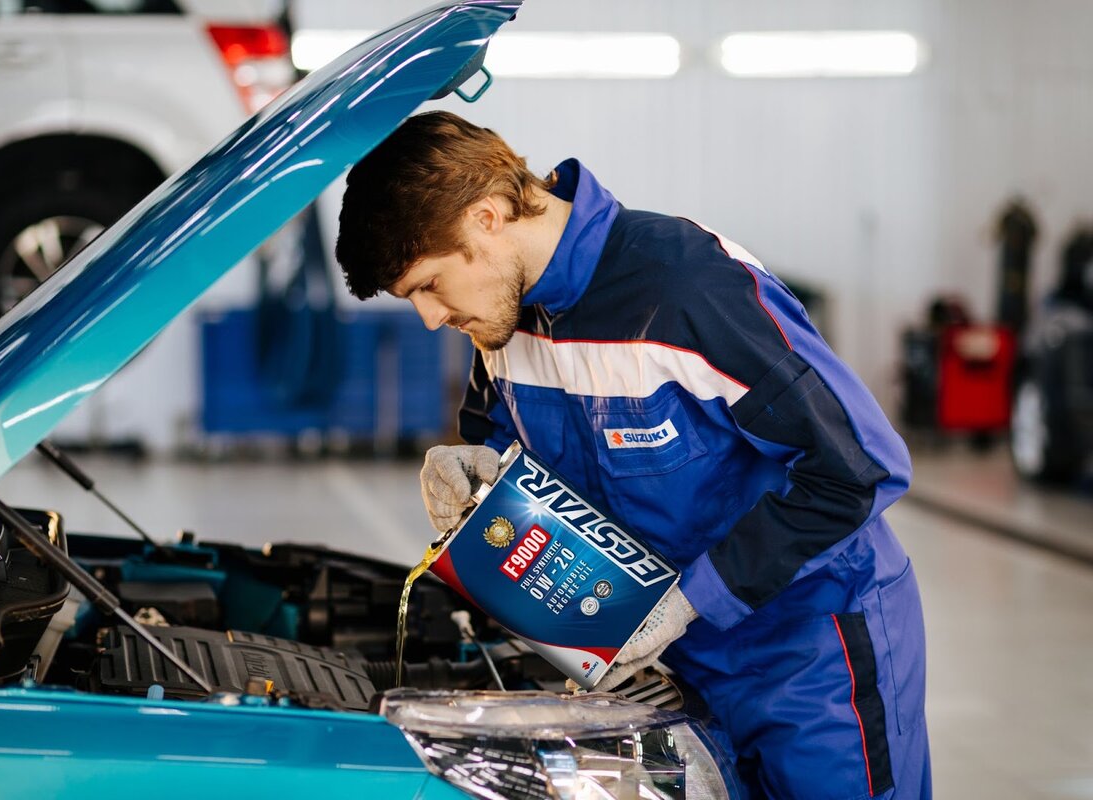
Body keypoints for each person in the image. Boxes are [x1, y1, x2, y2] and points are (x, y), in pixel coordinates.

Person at [335, 110, 930, 799]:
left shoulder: (685, 290)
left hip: (813, 654)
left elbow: (858, 469)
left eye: (429, 285)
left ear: (488, 217)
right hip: (668, 666)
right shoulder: (503, 326)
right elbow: (501, 448)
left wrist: (690, 600)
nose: (430, 318)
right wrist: (480, 481)